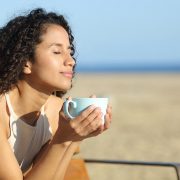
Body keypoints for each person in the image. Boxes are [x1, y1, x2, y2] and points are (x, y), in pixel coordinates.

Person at [0, 8, 112, 179]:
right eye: (57, 52)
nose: (71, 61)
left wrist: (74, 137)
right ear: (26, 62)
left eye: (70, 52)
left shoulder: (55, 111)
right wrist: (62, 139)